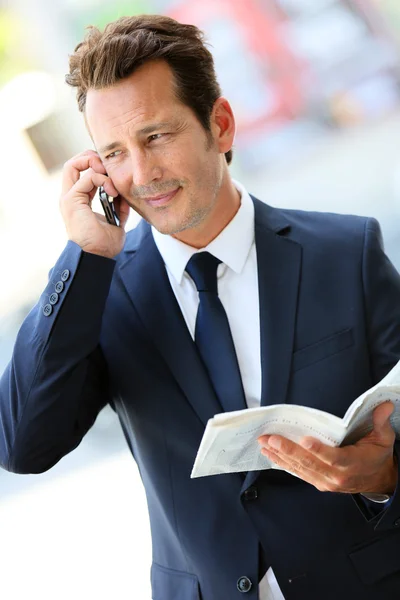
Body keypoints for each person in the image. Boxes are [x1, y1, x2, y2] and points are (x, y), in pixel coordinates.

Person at [1, 14, 400, 600]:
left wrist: (385, 478)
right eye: (115, 152)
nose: (142, 174)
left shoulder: (347, 252)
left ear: (221, 123)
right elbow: (22, 445)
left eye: (157, 136)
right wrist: (85, 254)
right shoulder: (99, 290)